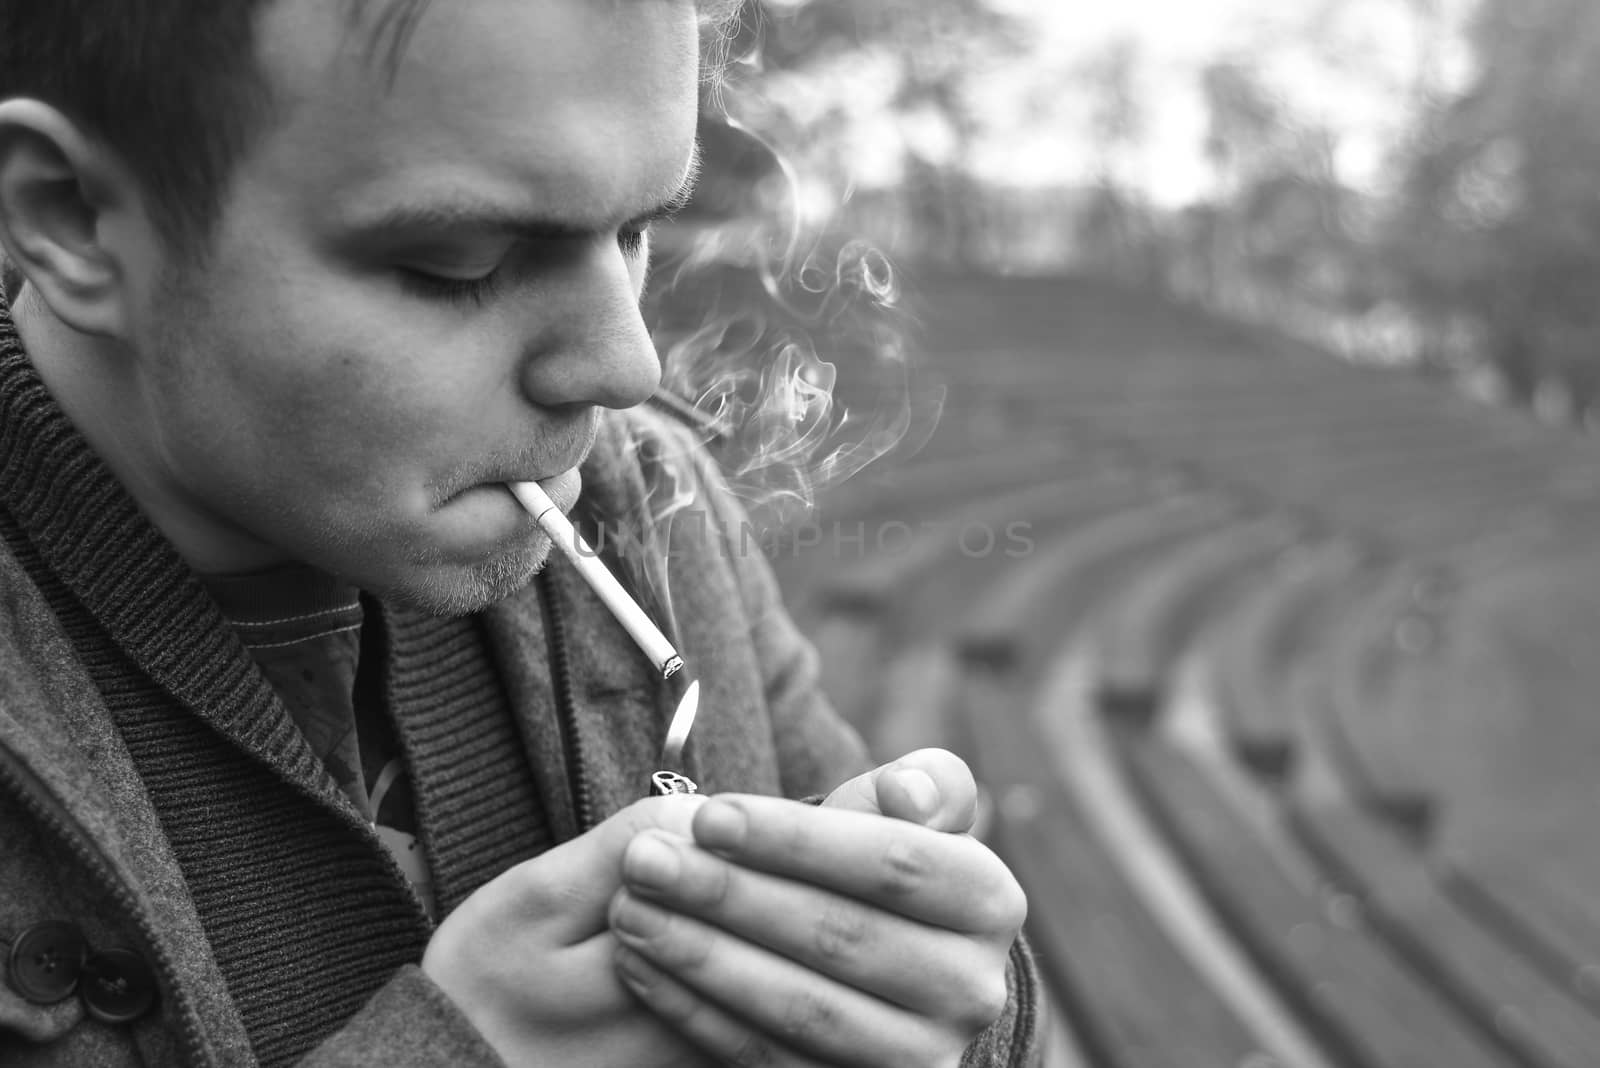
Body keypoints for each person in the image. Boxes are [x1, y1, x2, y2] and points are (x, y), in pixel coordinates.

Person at [0, 1, 1040, 1065]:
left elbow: (906, 986)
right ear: (73, 214)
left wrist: (934, 1008)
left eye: (636, 231)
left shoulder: (651, 509)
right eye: (462, 262)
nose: (624, 369)